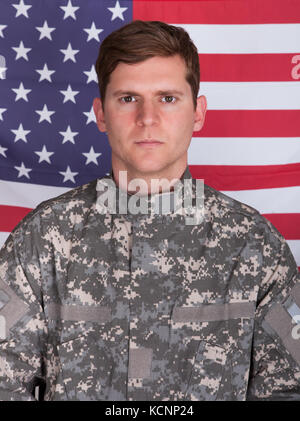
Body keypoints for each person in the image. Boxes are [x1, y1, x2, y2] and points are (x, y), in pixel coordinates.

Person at [0, 20, 300, 402]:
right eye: (128, 98)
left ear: (198, 113)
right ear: (101, 114)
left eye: (168, 98)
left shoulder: (255, 246)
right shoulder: (41, 239)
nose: (147, 118)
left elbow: (290, 390)